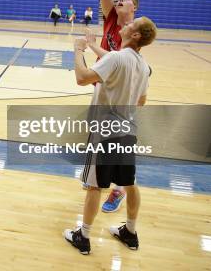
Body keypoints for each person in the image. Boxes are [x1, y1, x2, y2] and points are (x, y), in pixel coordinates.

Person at [63, 16, 158, 255]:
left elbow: (82, 78)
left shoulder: (116, 58)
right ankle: (131, 232)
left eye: (130, 25)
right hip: (128, 130)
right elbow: (142, 100)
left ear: (135, 35)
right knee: (129, 182)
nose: (125, 25)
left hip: (105, 131)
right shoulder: (143, 65)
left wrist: (78, 50)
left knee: (94, 186)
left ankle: (83, 236)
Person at [84, 0, 141, 213]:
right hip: (104, 87)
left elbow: (119, 60)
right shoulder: (110, 18)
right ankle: (99, 179)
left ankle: (116, 189)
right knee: (99, 135)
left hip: (120, 91)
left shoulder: (135, 31)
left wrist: (92, 46)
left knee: (116, 140)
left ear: (134, 8)